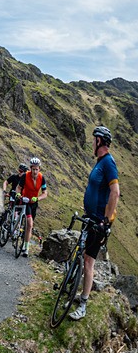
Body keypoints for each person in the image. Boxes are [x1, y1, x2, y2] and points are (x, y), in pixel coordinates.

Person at [69, 126, 120, 320]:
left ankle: (83, 304)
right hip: (90, 218)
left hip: (98, 222)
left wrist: (105, 221)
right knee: (82, 256)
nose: (92, 143)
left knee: (89, 262)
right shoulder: (100, 162)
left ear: (99, 141)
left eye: (93, 140)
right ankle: (76, 292)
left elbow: (115, 192)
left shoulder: (108, 163)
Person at [15, 158, 48, 257]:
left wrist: (37, 198)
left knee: (29, 227)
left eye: (37, 169)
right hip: (26, 201)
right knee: (29, 223)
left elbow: (45, 193)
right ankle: (26, 249)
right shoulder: (25, 176)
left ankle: (25, 243)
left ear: (39, 169)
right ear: (30, 168)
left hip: (34, 202)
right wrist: (18, 194)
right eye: (33, 169)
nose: (35, 171)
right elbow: (19, 188)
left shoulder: (42, 178)